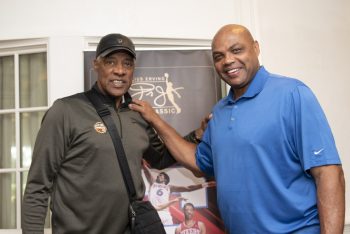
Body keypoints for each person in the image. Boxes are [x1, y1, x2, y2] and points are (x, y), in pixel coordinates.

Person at [129, 24, 345, 233]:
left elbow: (329, 174)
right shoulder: (220, 111)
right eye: (218, 56)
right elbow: (198, 162)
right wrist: (155, 119)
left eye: (236, 50)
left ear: (256, 48)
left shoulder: (293, 94)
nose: (228, 60)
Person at [21, 33, 206, 234]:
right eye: (111, 62)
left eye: (127, 64)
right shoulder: (65, 111)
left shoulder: (137, 114)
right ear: (96, 65)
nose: (119, 71)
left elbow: (160, 159)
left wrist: (197, 134)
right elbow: (38, 186)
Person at [142, 160, 215, 225]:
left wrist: (205, 184)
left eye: (160, 175)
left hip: (164, 213)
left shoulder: (170, 187)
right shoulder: (153, 183)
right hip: (153, 212)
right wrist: (142, 163)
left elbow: (188, 188)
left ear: (165, 179)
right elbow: (146, 172)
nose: (158, 176)